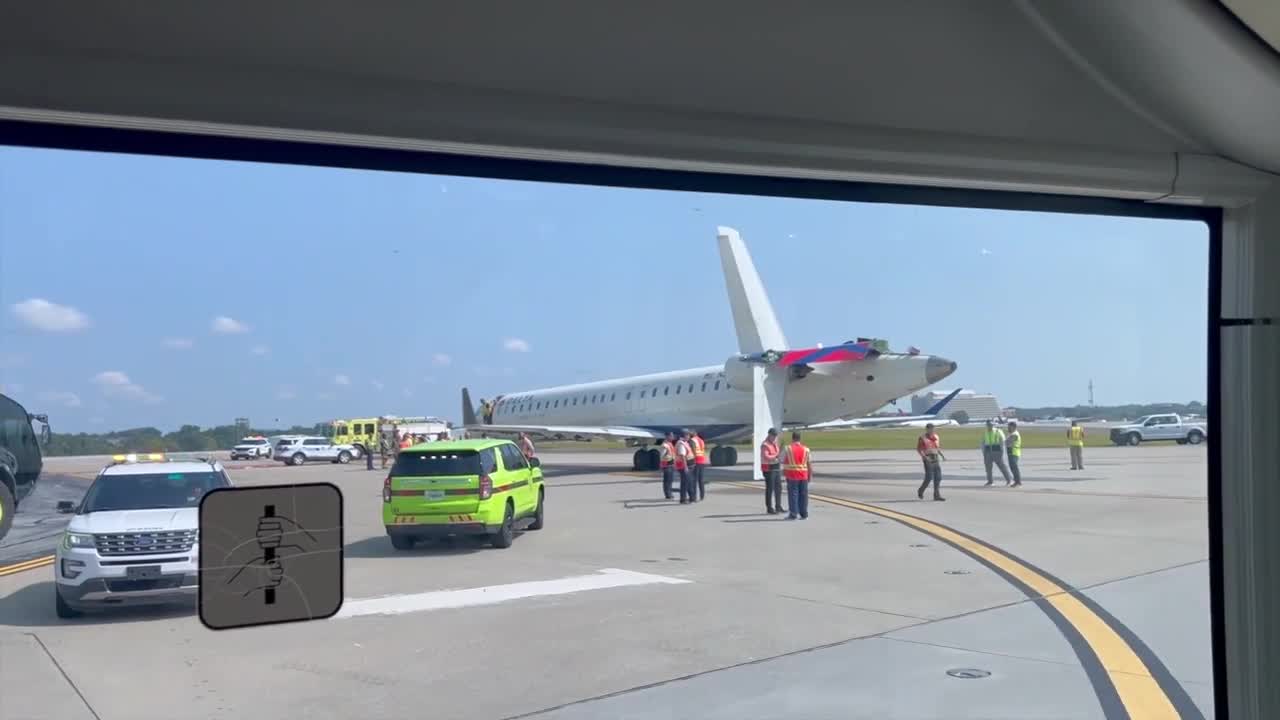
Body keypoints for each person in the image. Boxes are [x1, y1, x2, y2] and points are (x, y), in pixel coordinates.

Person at [782, 431, 811, 519]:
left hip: (792, 474)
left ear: (793, 438)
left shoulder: (788, 448)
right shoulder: (806, 449)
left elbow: (781, 459)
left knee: (793, 494)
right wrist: (810, 475)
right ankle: (804, 513)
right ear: (799, 439)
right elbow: (809, 463)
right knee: (803, 494)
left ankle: (793, 513)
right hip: (804, 474)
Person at [916, 423, 946, 501]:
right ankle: (921, 490)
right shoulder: (922, 438)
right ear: (927, 429)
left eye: (933, 428)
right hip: (928, 458)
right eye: (930, 429)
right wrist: (925, 458)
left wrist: (942, 456)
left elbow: (937, 448)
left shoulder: (936, 437)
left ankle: (936, 495)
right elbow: (920, 449)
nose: (932, 430)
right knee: (929, 478)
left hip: (935, 458)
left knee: (938, 477)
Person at [980, 419, 1012, 486]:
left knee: (1002, 466)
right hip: (988, 451)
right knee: (988, 468)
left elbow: (1002, 441)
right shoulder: (985, 432)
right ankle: (990, 481)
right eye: (988, 425)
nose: (989, 426)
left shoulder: (998, 431)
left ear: (993, 425)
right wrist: (983, 451)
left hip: (997, 451)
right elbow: (982, 442)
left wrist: (1001, 451)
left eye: (991, 425)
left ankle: (1009, 480)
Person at [761, 428, 784, 514]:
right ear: (769, 435)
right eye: (773, 435)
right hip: (769, 468)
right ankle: (769, 507)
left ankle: (778, 506)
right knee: (770, 489)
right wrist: (776, 456)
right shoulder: (765, 445)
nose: (774, 437)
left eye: (775, 436)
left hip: (776, 467)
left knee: (778, 488)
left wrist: (779, 456)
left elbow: (777, 454)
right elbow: (766, 456)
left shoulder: (775, 444)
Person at [675, 431, 695, 503]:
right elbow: (682, 456)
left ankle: (692, 498)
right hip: (684, 466)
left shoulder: (685, 443)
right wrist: (685, 467)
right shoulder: (681, 444)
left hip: (689, 465)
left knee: (689, 482)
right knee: (685, 483)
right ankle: (683, 499)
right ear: (685, 436)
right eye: (688, 435)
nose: (689, 437)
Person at [689, 429, 708, 501]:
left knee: (694, 480)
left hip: (696, 461)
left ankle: (694, 497)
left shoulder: (692, 440)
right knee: (701, 480)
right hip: (702, 460)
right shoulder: (701, 440)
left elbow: (693, 451)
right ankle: (702, 495)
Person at [659, 432, 677, 500]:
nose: (673, 437)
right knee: (667, 480)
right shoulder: (665, 445)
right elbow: (661, 456)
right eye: (671, 436)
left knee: (670, 480)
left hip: (671, 464)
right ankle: (667, 494)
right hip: (667, 465)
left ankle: (669, 493)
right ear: (667, 436)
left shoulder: (670, 444)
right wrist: (662, 464)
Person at [1006, 420, 1023, 487]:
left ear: (1013, 427)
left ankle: (1018, 482)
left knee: (1014, 467)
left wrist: (1007, 441)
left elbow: (1008, 442)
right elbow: (1007, 442)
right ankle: (1016, 481)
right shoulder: (1011, 434)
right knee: (1012, 467)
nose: (1008, 428)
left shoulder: (1015, 434)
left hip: (1014, 452)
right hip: (1011, 452)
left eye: (1009, 427)